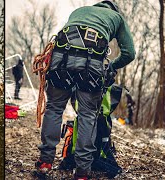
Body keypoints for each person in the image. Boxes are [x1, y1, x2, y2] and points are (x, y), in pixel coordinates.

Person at [35, 1, 135, 179]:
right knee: (87, 114)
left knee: (54, 107)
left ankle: (45, 162)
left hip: (60, 58)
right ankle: (82, 171)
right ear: (113, 10)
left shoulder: (79, 10)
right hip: (92, 63)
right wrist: (111, 66)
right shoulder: (117, 18)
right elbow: (129, 53)